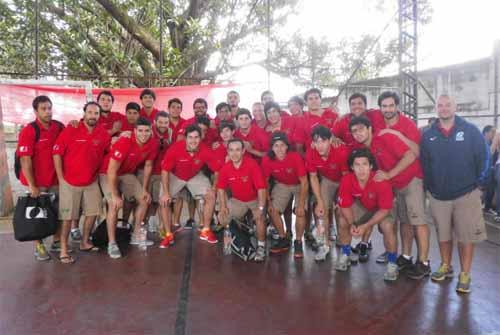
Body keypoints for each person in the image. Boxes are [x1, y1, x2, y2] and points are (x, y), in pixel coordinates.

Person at [421, 94, 489, 294]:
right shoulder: (428, 135)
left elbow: (484, 157)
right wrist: (430, 187)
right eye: (440, 105)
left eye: (447, 105)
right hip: (438, 196)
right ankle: (445, 265)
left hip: (466, 194)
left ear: (455, 106)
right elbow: (425, 163)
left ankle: (465, 274)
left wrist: (479, 184)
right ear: (436, 109)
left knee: (466, 237)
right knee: (443, 235)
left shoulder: (470, 131)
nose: (443, 108)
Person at [349, 115, 430, 278]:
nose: (358, 133)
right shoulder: (367, 150)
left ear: (370, 129)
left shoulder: (385, 137)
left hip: (412, 179)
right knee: (405, 221)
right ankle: (406, 257)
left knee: (418, 221)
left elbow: (410, 156)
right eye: (354, 131)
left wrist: (390, 174)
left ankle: (424, 263)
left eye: (361, 129)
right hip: (397, 186)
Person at [53, 102, 111, 263]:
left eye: (96, 113)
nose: (93, 116)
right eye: (90, 112)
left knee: (93, 213)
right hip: (69, 182)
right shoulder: (71, 129)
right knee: (67, 217)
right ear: (84, 113)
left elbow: (109, 151)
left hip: (91, 181)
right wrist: (60, 178)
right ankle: (64, 249)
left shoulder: (103, 133)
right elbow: (57, 153)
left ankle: (85, 242)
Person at [99, 117, 159, 259]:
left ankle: (136, 234)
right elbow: (112, 170)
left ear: (151, 131)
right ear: (134, 131)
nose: (143, 134)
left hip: (126, 174)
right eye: (140, 131)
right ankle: (112, 243)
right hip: (107, 172)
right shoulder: (124, 142)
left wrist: (144, 189)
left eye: (147, 131)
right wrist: (114, 195)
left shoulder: (152, 143)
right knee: (114, 204)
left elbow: (148, 166)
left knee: (144, 200)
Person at [336, 149, 398, 281]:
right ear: (352, 167)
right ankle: (346, 254)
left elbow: (384, 210)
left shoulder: (381, 181)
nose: (361, 169)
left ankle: (393, 263)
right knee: (342, 220)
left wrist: (366, 226)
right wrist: (352, 223)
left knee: (387, 226)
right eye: (357, 165)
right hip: (364, 205)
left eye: (365, 164)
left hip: (382, 208)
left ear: (371, 166)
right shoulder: (347, 179)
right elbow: (345, 206)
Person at [17, 95, 65, 261]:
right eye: (43, 109)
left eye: (49, 108)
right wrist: (32, 186)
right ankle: (39, 246)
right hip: (37, 183)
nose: (48, 112)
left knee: (58, 212)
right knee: (37, 215)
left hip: (55, 181)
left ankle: (57, 241)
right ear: (36, 111)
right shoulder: (29, 130)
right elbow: (25, 159)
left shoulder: (59, 126)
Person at [159, 125, 220, 247]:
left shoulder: (205, 149)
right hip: (175, 176)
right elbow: (165, 171)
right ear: (185, 138)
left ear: (201, 138)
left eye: (196, 137)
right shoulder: (175, 148)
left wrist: (214, 188)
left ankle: (206, 230)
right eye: (190, 137)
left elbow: (217, 171)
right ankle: (168, 234)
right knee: (164, 200)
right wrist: (166, 192)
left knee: (211, 196)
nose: (193, 140)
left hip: (194, 176)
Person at [217, 139, 267, 262]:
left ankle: (261, 247)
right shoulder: (226, 168)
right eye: (231, 150)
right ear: (228, 152)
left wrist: (260, 209)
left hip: (254, 199)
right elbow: (220, 189)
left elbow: (261, 189)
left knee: (260, 218)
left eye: (238, 150)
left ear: (243, 151)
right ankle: (236, 239)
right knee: (222, 217)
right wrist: (223, 206)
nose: (234, 153)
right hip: (238, 200)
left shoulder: (252, 165)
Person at [305, 125, 349, 261]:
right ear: (312, 142)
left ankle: (344, 246)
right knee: (322, 209)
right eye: (316, 142)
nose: (320, 146)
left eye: (323, 141)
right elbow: (313, 177)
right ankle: (325, 245)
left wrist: (340, 200)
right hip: (328, 180)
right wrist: (319, 201)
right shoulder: (311, 153)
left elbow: (346, 178)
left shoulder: (341, 151)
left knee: (342, 212)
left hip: (344, 180)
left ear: (330, 140)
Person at [262, 132, 308, 258]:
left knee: (300, 212)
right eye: (276, 146)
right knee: (273, 211)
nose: (279, 149)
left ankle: (298, 241)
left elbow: (304, 182)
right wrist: (269, 203)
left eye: (282, 145)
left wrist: (301, 204)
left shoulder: (295, 157)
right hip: (282, 184)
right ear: (272, 147)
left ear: (287, 146)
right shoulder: (267, 159)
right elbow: (265, 182)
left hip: (299, 184)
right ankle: (283, 238)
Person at [481, 125, 496, 214]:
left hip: (489, 170)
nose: (494, 134)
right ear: (486, 132)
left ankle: (486, 208)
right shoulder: (480, 142)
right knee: (481, 191)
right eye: (492, 132)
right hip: (483, 171)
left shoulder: (490, 143)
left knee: (490, 190)